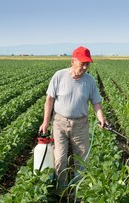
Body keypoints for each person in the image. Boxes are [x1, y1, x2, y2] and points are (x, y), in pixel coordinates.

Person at [39, 46, 105, 192]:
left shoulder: (90, 81)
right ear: (73, 61)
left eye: (87, 64)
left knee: (81, 159)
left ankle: (78, 192)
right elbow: (49, 100)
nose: (85, 67)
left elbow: (96, 102)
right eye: (82, 63)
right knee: (60, 158)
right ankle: (61, 190)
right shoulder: (59, 76)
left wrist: (101, 118)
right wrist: (45, 122)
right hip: (60, 123)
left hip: (80, 124)